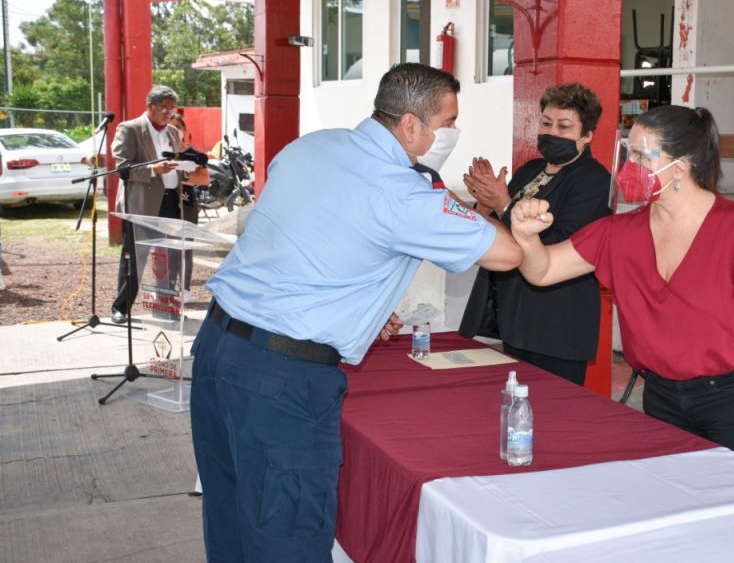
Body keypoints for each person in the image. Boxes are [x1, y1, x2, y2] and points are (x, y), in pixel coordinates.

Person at [190, 63, 521, 563]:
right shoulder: (405, 191)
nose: (452, 133)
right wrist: (483, 205)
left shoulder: (311, 146)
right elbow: (507, 254)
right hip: (282, 378)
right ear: (412, 125)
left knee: (233, 518)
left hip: (218, 349)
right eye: (449, 122)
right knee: (287, 534)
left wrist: (359, 309)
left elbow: (307, 241)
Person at [509, 105, 734, 467]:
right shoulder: (620, 231)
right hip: (662, 397)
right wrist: (527, 239)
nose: (628, 167)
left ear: (681, 167)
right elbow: (542, 272)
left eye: (640, 156)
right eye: (628, 153)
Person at [459, 82, 611, 385]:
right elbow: (506, 229)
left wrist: (503, 203)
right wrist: (484, 205)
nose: (551, 132)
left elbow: (561, 242)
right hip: (515, 315)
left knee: (553, 414)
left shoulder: (594, 179)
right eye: (546, 122)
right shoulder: (531, 170)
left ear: (587, 136)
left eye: (564, 126)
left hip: (556, 321)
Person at [110, 85, 184, 323]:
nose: (168, 113)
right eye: (164, 107)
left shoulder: (173, 132)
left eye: (172, 108)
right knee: (135, 257)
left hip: (171, 200)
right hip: (141, 205)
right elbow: (122, 168)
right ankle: (121, 307)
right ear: (149, 106)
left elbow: (177, 162)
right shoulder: (130, 129)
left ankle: (165, 305)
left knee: (170, 257)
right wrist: (153, 169)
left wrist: (186, 171)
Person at [167, 112, 209, 300]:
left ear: (184, 130)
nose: (175, 130)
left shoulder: (193, 154)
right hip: (167, 203)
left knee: (186, 246)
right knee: (169, 247)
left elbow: (205, 178)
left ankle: (185, 289)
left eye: (179, 127)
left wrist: (184, 177)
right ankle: (167, 287)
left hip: (187, 203)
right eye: (171, 127)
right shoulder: (161, 152)